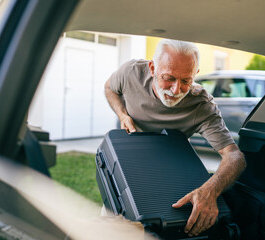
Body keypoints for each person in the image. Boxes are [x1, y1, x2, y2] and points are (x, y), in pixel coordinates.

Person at [104, 39, 246, 237]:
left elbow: (234, 156)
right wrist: (122, 114)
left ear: (195, 76)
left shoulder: (202, 105)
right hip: (128, 160)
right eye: (169, 78)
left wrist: (210, 191)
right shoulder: (131, 72)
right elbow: (110, 88)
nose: (176, 90)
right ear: (152, 68)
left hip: (167, 171)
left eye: (186, 81)